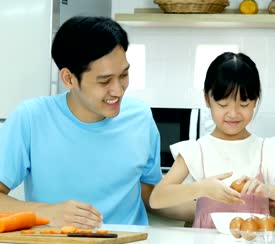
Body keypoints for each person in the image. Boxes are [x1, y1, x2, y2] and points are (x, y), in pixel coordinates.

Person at [0, 16, 174, 228]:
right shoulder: (31, 118)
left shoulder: (140, 117)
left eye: (124, 75)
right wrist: (48, 212)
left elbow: (151, 196)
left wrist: (207, 204)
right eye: (104, 81)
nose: (118, 90)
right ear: (69, 79)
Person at [149, 52, 275, 228]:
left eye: (244, 104)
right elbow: (157, 198)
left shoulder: (267, 150)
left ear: (255, 101)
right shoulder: (196, 151)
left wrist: (268, 190)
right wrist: (201, 188)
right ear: (207, 98)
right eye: (223, 105)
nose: (233, 113)